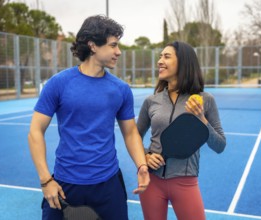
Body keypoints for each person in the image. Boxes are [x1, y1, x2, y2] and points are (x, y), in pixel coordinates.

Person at [28, 15, 149, 220]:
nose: (118, 52)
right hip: (65, 185)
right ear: (93, 45)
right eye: (113, 45)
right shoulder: (58, 84)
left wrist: (141, 165)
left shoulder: (120, 89)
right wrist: (46, 181)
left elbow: (130, 132)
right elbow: (35, 132)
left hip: (108, 185)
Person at [136, 41, 226, 220]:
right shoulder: (150, 101)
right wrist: (145, 156)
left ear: (183, 63)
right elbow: (135, 137)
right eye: (160, 56)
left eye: (166, 56)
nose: (160, 61)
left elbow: (220, 145)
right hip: (151, 182)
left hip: (185, 181)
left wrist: (201, 119)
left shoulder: (205, 100)